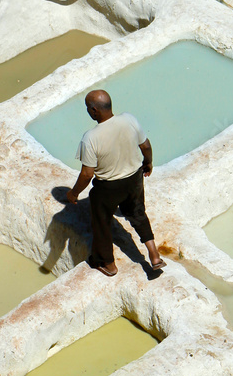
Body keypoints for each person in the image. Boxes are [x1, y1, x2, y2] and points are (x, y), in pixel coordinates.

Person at [66, 89, 165, 276]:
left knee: (102, 223)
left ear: (94, 111)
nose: (88, 111)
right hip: (134, 178)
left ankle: (108, 265)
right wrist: (148, 162)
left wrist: (74, 193)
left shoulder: (90, 138)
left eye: (88, 108)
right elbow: (145, 145)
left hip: (108, 188)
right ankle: (154, 254)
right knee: (137, 212)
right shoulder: (129, 119)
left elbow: (87, 174)